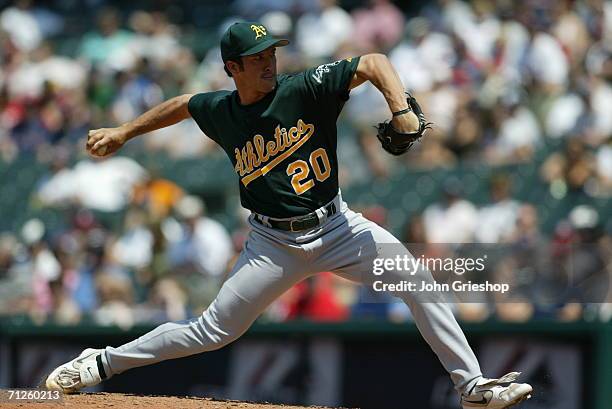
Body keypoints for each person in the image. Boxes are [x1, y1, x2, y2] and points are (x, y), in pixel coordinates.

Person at [45, 22, 533, 408]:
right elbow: (182, 106)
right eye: (257, 58)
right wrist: (125, 131)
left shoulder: (304, 89)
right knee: (213, 331)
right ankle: (103, 362)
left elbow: (374, 61)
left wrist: (399, 105)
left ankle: (471, 387)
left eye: (271, 53)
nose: (268, 62)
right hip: (272, 244)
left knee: (416, 280)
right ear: (232, 67)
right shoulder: (221, 109)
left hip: (341, 228)